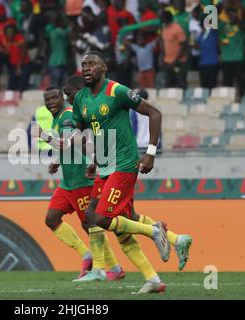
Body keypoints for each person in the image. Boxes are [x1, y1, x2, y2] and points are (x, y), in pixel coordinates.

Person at [69, 51, 172, 293]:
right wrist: (90, 157)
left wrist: (150, 153)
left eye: (91, 64)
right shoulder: (80, 98)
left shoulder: (117, 91)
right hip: (104, 167)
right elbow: (83, 132)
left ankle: (155, 231)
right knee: (94, 216)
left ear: (103, 68)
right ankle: (153, 280)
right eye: (83, 65)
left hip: (124, 164)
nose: (86, 68)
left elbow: (154, 113)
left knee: (104, 219)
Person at [42, 79, 125, 281]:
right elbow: (74, 145)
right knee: (51, 219)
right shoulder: (59, 117)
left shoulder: (68, 116)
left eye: (55, 98)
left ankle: (113, 267)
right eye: (47, 99)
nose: (51, 101)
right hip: (67, 182)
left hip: (82, 181)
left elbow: (68, 143)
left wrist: (44, 136)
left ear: (63, 99)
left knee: (91, 224)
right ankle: (87, 255)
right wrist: (58, 161)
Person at [219, 7, 245, 100]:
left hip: (239, 58)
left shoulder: (240, 25)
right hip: (226, 58)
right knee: (227, 82)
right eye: (230, 13)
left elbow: (244, 27)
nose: (232, 15)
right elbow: (218, 36)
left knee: (241, 81)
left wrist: (237, 20)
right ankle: (228, 99)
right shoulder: (222, 25)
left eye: (234, 13)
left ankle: (243, 98)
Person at [161, 10, 188, 89]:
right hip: (167, 62)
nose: (162, 19)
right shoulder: (164, 28)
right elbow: (164, 44)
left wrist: (175, 61)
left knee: (181, 84)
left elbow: (184, 45)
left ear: (168, 18)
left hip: (178, 62)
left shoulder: (177, 28)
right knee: (168, 85)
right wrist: (163, 58)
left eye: (163, 17)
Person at [3, 24, 31, 91]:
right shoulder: (7, 40)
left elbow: (23, 53)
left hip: (23, 65)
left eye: (11, 31)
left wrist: (19, 67)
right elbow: (6, 53)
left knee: (22, 85)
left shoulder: (19, 38)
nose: (9, 33)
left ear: (14, 32)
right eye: (7, 32)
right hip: (13, 66)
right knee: (11, 86)